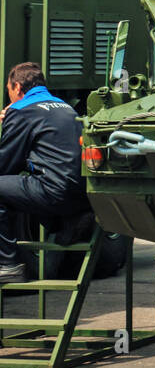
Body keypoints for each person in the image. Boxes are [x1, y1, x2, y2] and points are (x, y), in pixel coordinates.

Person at [0, 62, 91, 283]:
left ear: (17, 87)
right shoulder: (65, 107)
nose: (9, 97)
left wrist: (8, 121)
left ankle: (9, 265)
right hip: (82, 194)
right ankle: (67, 224)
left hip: (55, 192)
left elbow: (6, 163)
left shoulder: (21, 110)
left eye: (9, 90)